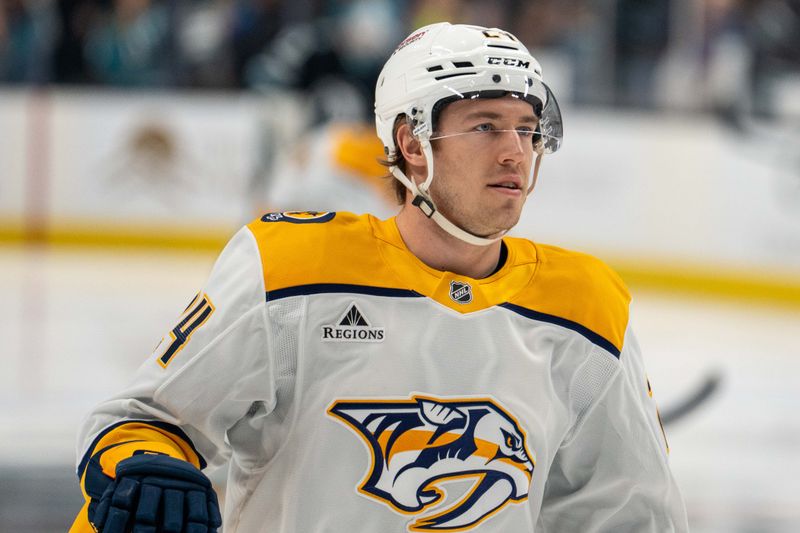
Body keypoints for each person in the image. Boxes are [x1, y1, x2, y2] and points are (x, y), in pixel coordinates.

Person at [70, 22, 689, 532]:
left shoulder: (586, 308)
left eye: (527, 130)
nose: (515, 153)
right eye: (486, 126)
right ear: (412, 143)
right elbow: (140, 420)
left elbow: (633, 514)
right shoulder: (291, 268)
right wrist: (144, 465)